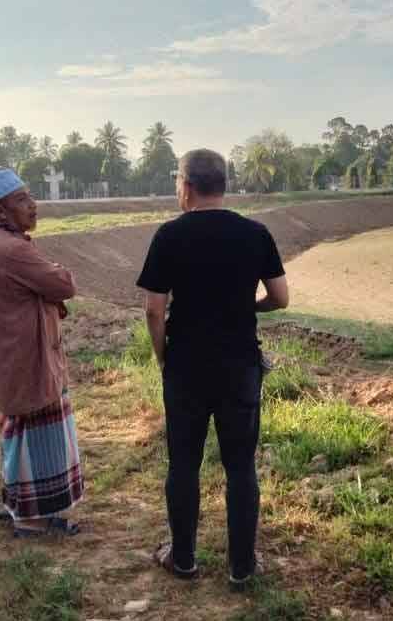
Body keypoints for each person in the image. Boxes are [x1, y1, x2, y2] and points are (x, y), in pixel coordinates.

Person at [136, 149, 289, 588]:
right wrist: (246, 307)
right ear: (223, 185)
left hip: (186, 366)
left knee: (184, 463)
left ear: (186, 186)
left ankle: (183, 559)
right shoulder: (255, 233)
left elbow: (153, 309)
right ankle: (242, 567)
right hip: (240, 366)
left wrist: (163, 356)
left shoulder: (169, 235)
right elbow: (280, 297)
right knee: (240, 467)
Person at [0, 167, 84, 537]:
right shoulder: (12, 250)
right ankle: (31, 518)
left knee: (21, 437)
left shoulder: (1, 243)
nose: (33, 205)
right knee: (35, 439)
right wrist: (57, 273)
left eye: (30, 196)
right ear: (1, 211)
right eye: (22, 200)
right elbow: (63, 284)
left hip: (20, 356)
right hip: (28, 360)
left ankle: (18, 506)